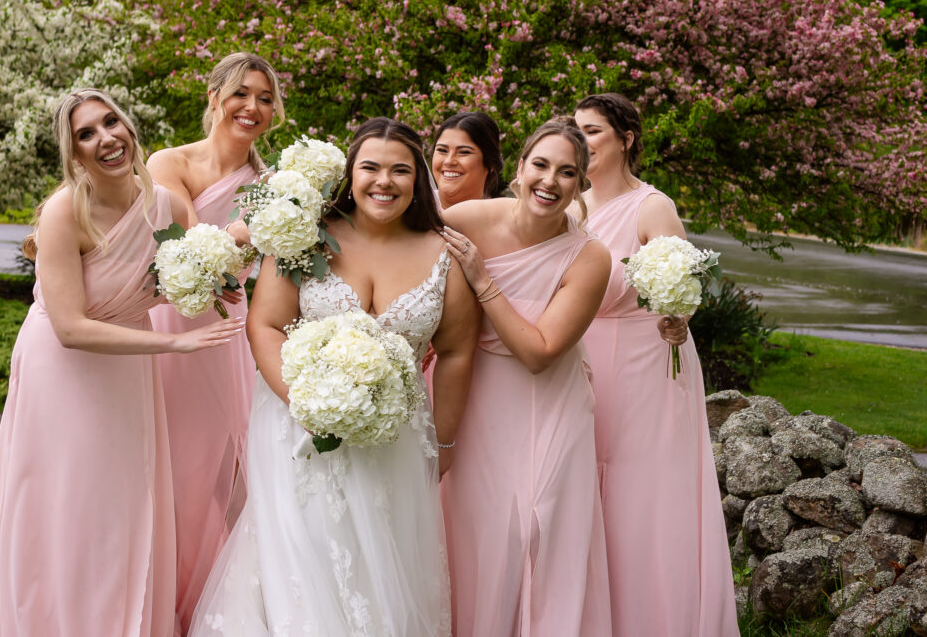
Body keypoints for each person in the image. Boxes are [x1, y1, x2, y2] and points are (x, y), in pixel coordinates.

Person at [0, 89, 244, 637]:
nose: (105, 139)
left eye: (110, 123)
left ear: (128, 126)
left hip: (128, 363)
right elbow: (69, 328)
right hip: (63, 370)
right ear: (75, 153)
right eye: (86, 134)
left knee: (125, 501)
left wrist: (214, 286)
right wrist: (174, 345)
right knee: (64, 499)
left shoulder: (166, 205)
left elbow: (172, 284)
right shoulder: (66, 211)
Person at [188, 117, 479, 636]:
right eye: (369, 167)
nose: (383, 181)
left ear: (419, 181)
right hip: (295, 427)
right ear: (350, 173)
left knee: (383, 561)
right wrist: (307, 405)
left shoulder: (444, 253)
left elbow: (455, 352)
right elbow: (266, 324)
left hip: (396, 437)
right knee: (303, 554)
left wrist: (446, 443)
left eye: (399, 170)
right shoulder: (305, 236)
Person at [572, 93, 739, 636]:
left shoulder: (652, 206)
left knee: (637, 494)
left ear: (627, 139)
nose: (582, 141)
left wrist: (679, 316)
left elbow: (682, 286)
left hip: (646, 365)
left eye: (593, 131)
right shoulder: (570, 204)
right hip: (577, 359)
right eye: (576, 131)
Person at [439, 117, 613, 636]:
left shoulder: (590, 257)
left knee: (534, 532)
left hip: (547, 401)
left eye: (567, 172)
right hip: (470, 393)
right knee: (472, 529)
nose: (549, 181)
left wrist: (482, 279)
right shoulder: (467, 218)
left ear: (581, 185)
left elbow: (539, 351)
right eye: (540, 164)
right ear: (518, 169)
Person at [147, 52, 285, 635]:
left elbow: (264, 267)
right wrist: (257, 225)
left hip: (227, 332)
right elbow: (179, 246)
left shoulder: (275, 184)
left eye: (264, 98)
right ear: (214, 98)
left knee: (217, 471)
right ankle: (152, 597)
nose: (251, 107)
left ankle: (203, 607)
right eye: (241, 94)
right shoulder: (167, 161)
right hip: (166, 330)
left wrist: (280, 214)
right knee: (162, 463)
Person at [430, 111, 504, 209]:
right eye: (442, 150)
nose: (449, 161)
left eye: (464, 152)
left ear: (491, 163)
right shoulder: (409, 212)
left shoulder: (504, 219)